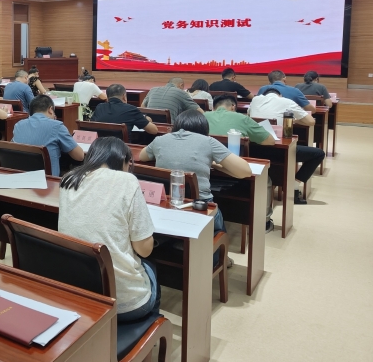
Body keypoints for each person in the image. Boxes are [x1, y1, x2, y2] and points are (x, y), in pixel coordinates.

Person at [59, 138, 158, 321]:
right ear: (123, 159)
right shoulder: (127, 180)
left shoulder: (69, 178)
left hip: (78, 290)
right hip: (120, 304)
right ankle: (148, 328)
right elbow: (144, 249)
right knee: (151, 269)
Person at [139, 110, 252, 266]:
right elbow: (245, 171)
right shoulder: (208, 141)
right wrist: (214, 163)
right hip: (199, 209)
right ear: (203, 128)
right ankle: (222, 259)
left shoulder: (160, 140)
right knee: (217, 213)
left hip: (167, 207)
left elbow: (142, 156)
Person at [205, 93, 275, 230]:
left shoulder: (203, 116)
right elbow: (270, 141)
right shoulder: (242, 118)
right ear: (233, 106)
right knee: (266, 179)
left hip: (207, 169)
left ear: (214, 107)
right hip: (235, 172)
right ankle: (265, 222)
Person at [248, 88, 325, 204]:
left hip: (254, 149)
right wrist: (293, 121)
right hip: (278, 150)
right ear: (280, 95)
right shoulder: (287, 102)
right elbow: (311, 121)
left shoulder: (255, 100)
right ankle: (294, 186)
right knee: (318, 154)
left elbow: (249, 115)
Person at [12, 95, 84, 176]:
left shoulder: (18, 125)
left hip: (20, 177)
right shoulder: (56, 126)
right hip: (48, 180)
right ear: (50, 109)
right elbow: (80, 156)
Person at [91, 84, 157, 135]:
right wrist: (145, 118)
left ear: (107, 98)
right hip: (121, 147)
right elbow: (153, 131)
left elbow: (91, 126)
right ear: (124, 97)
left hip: (100, 146)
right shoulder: (131, 109)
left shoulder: (99, 107)